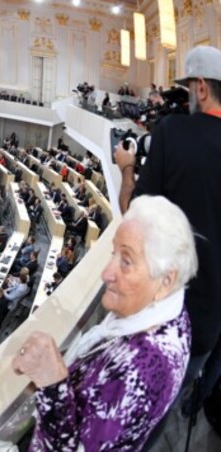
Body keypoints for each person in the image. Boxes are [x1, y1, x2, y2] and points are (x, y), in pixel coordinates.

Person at [12, 195, 197, 450]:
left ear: (166, 281)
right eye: (114, 254)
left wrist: (52, 381)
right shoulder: (166, 308)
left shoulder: (139, 371)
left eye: (126, 261)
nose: (106, 273)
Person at [115, 46, 221, 416]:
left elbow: (133, 215)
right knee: (167, 409)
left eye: (189, 88)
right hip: (210, 323)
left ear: (202, 88)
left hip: (162, 315)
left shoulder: (172, 131)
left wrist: (127, 168)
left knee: (136, 415)